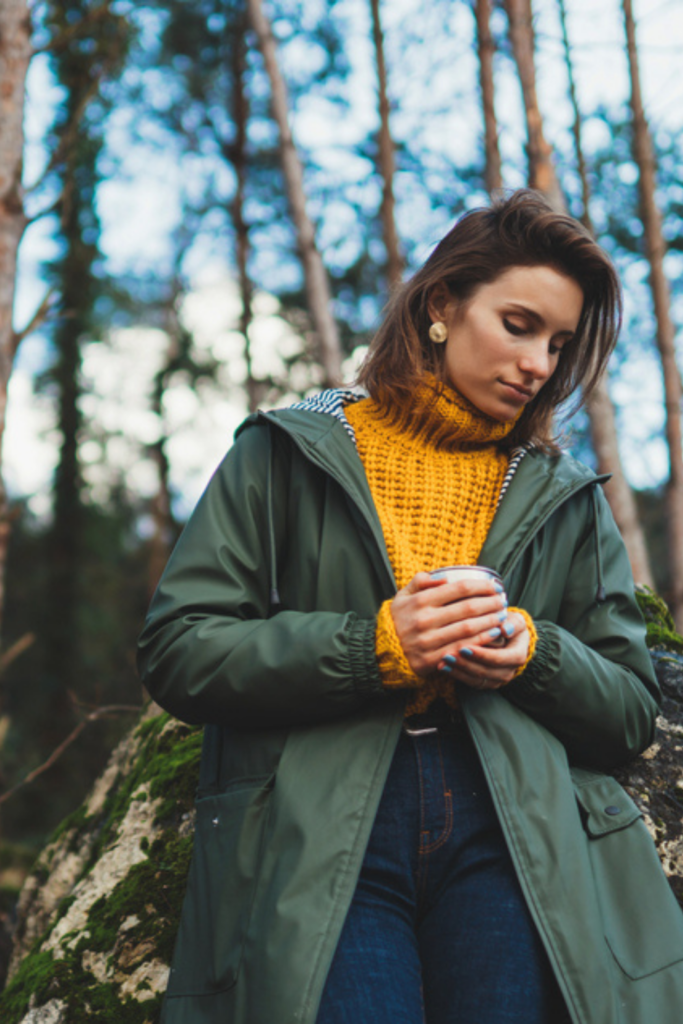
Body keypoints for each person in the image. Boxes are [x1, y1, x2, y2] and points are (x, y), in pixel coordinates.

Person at [137, 189, 683, 1024]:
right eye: (517, 324)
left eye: (559, 343)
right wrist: (373, 647)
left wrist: (532, 652)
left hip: (509, 831)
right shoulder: (286, 451)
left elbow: (626, 713)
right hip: (320, 828)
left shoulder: (566, 496)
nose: (539, 363)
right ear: (441, 305)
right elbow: (180, 648)